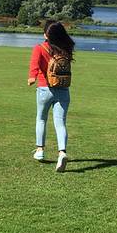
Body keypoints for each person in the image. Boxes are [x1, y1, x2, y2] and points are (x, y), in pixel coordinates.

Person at [28, 20, 75, 172]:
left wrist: (32, 77)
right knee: (60, 123)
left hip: (44, 88)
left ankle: (40, 150)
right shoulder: (66, 48)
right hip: (63, 89)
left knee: (41, 118)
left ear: (46, 35)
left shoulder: (39, 48)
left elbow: (34, 65)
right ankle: (62, 152)